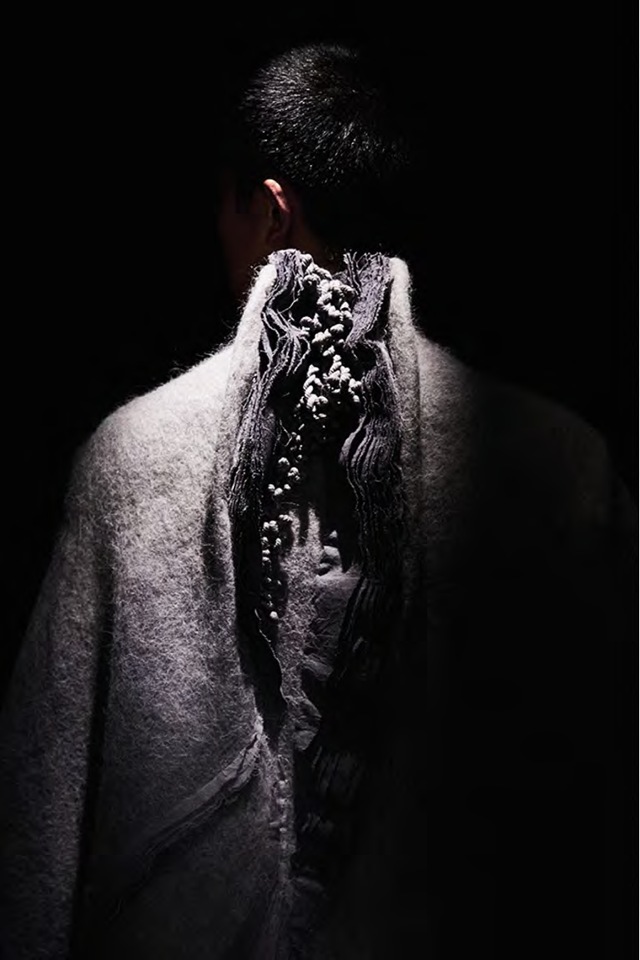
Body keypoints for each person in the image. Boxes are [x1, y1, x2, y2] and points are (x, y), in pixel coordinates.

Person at [0, 43, 635, 960]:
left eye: (223, 209)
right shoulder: (564, 469)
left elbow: (35, 826)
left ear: (269, 208)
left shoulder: (129, 460)